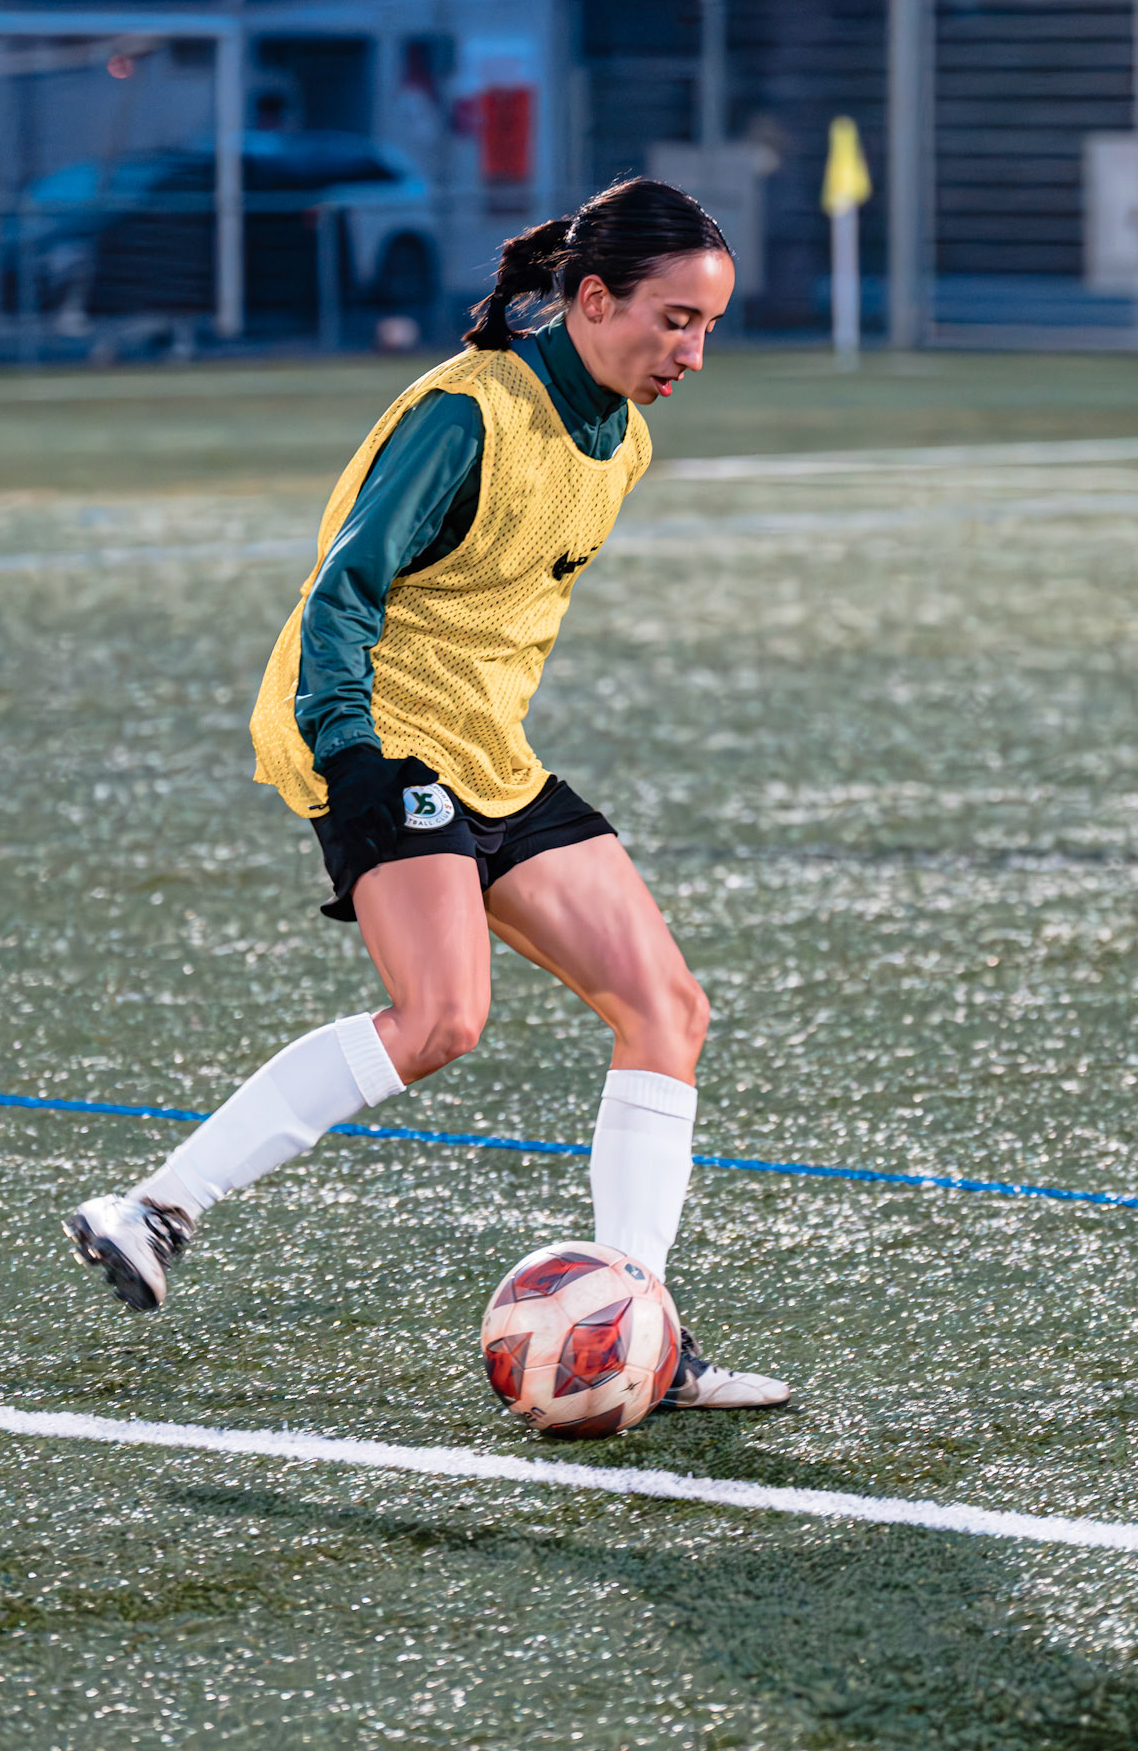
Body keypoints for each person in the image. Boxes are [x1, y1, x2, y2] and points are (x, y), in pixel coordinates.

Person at [65, 176, 788, 1412]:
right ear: (595, 297)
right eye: (674, 320)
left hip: (487, 747)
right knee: (444, 1016)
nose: (694, 352)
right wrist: (349, 749)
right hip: (371, 730)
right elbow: (344, 589)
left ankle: (635, 1328)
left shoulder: (625, 432)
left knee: (667, 1009)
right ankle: (153, 1209)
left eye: (708, 325)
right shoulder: (464, 414)